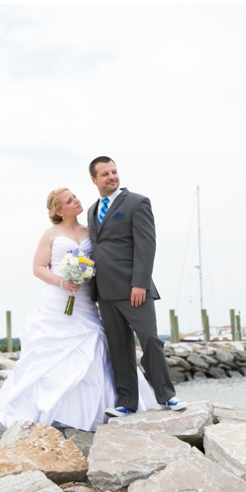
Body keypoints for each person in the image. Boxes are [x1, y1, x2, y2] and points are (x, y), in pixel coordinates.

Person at [0, 187, 155, 433]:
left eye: (75, 197)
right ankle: (53, 414)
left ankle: (110, 409)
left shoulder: (91, 231)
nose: (76, 200)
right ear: (58, 210)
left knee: (97, 344)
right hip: (58, 299)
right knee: (50, 355)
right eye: (69, 200)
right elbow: (38, 267)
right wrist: (62, 281)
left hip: (85, 300)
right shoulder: (51, 234)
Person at [86, 156, 185, 417]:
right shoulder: (92, 210)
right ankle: (127, 402)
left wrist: (139, 283)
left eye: (114, 172)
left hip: (134, 289)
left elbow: (146, 244)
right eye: (105, 174)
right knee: (119, 347)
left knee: (151, 339)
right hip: (105, 291)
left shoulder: (137, 202)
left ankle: (167, 396)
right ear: (94, 179)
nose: (112, 177)